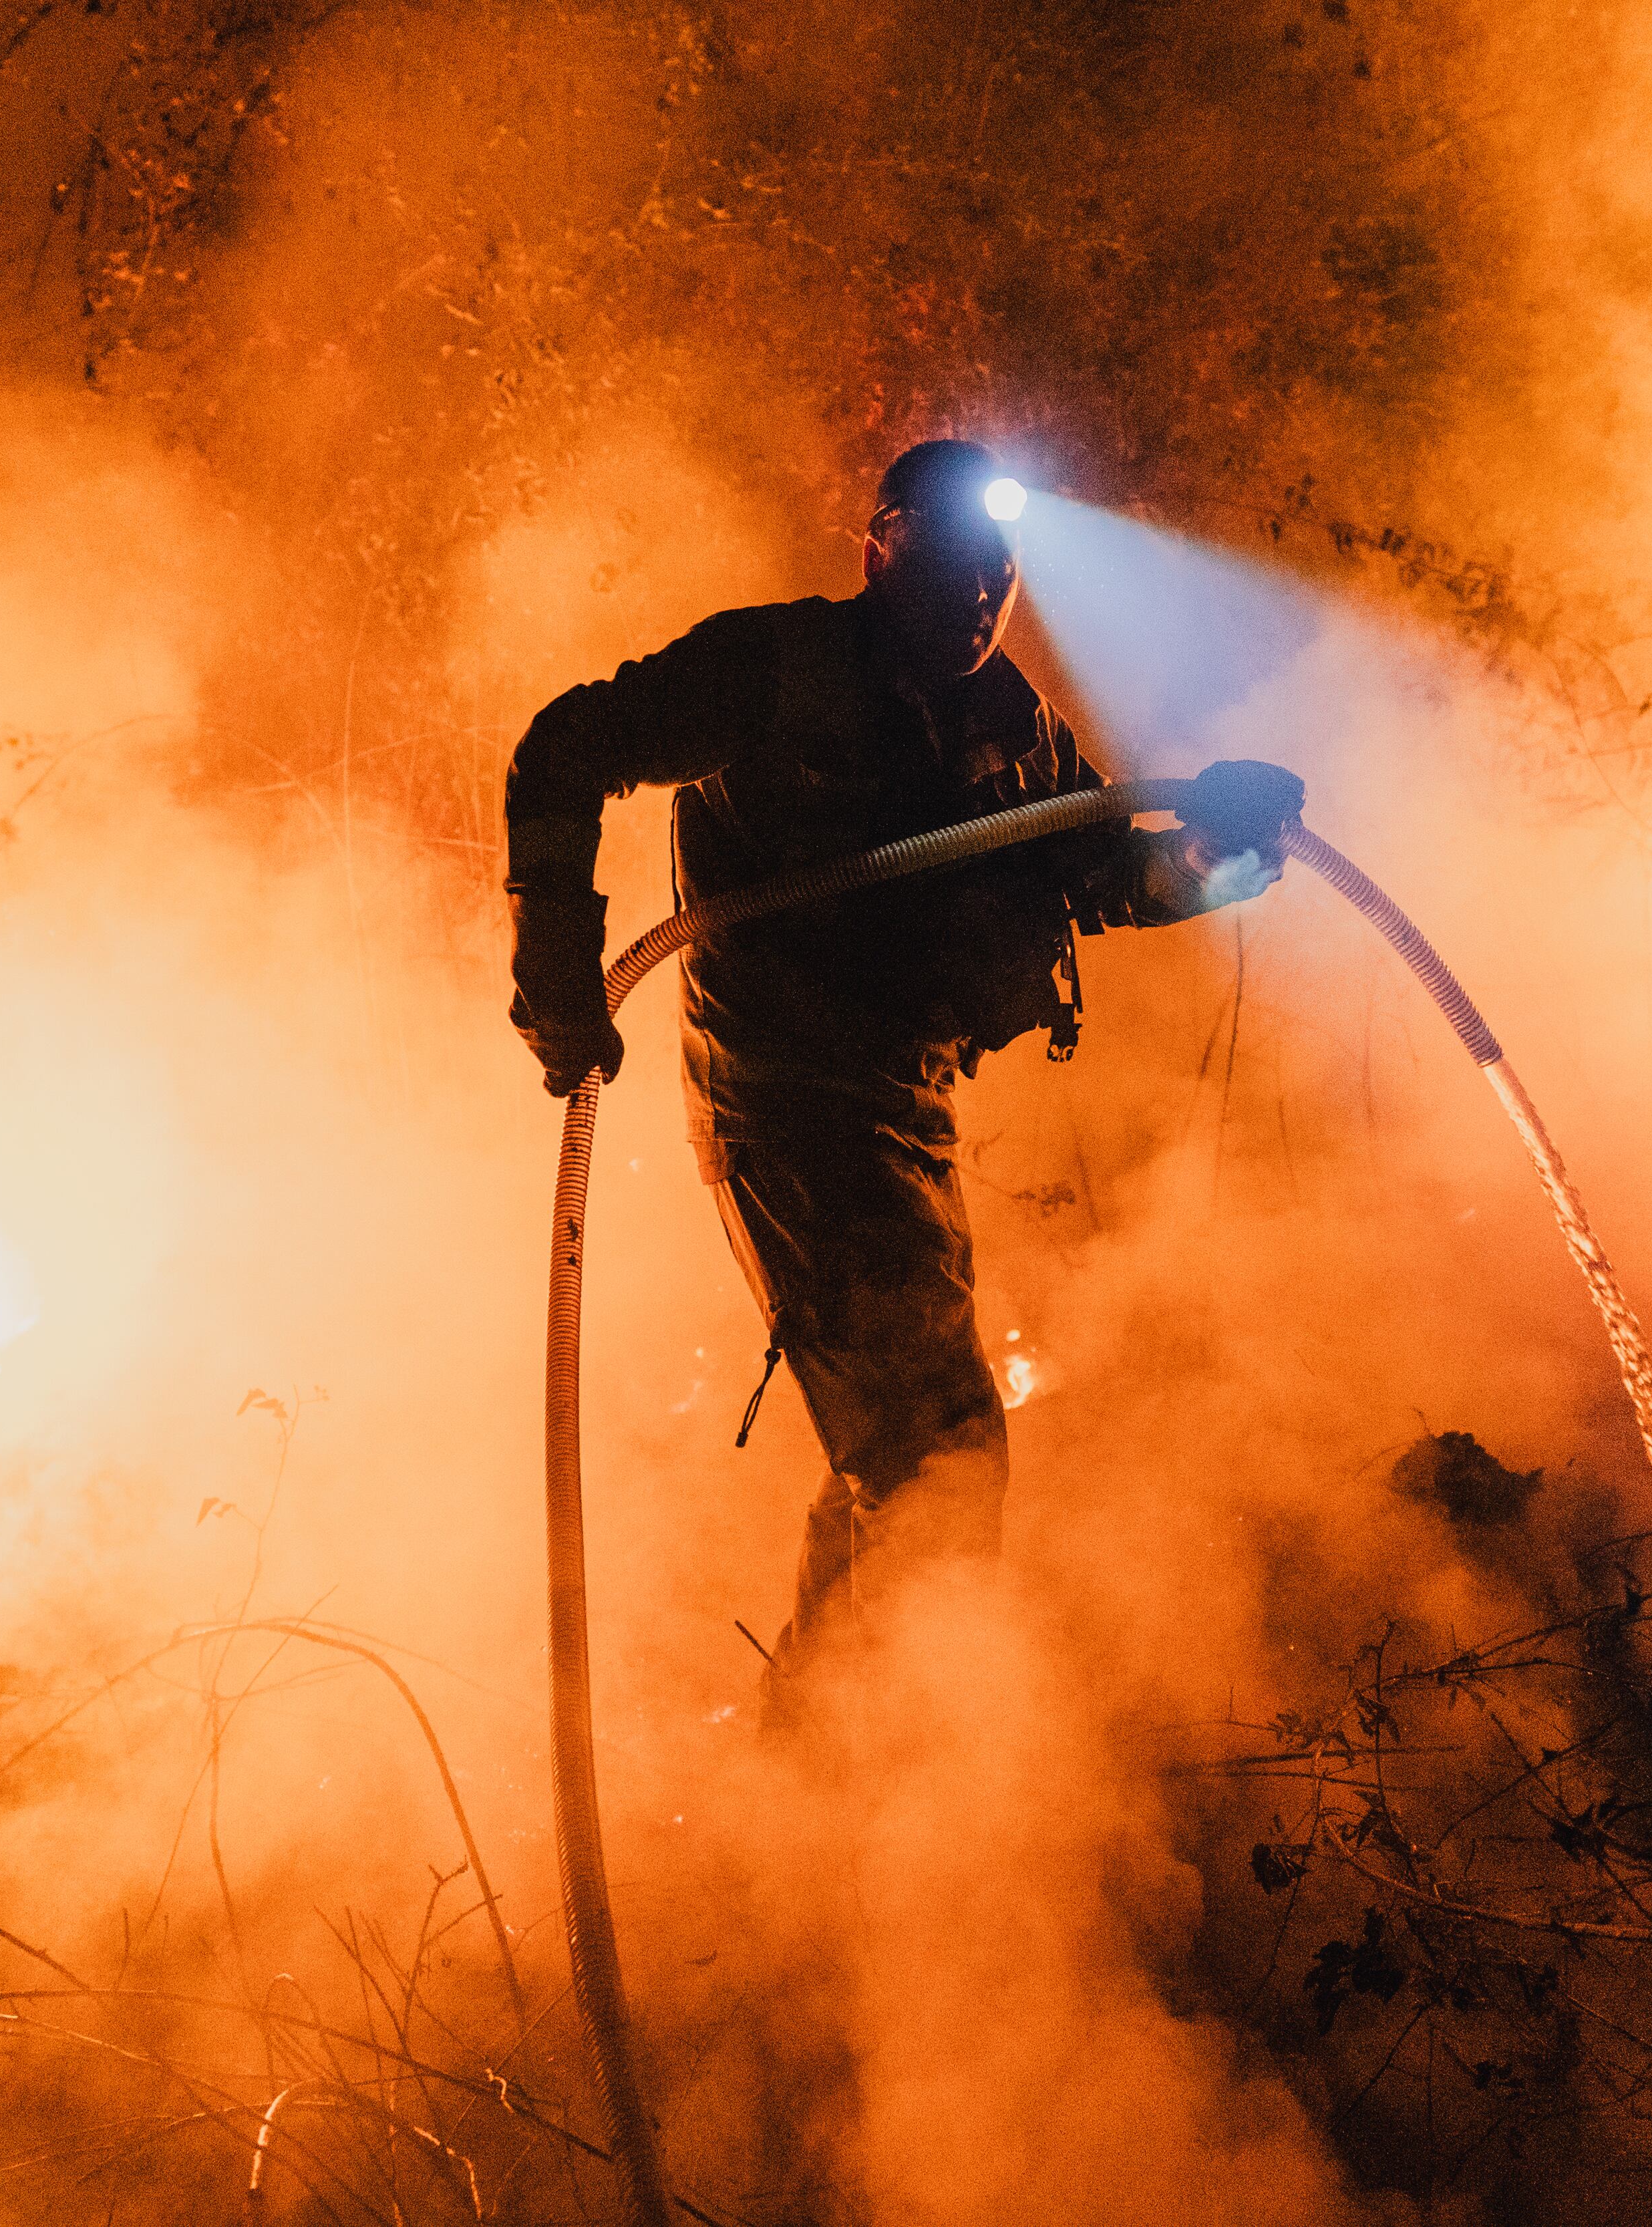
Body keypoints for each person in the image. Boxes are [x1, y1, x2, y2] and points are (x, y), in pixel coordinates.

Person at [501, 437, 1301, 1689]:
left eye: (1002, 576)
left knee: (897, 1448)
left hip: (902, 1119)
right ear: (880, 548)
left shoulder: (1008, 724)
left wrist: (1225, 846)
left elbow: (1108, 876)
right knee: (938, 1451)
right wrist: (554, 952)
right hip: (783, 1104)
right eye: (953, 570)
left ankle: (821, 1769)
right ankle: (890, 1779)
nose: (983, 600)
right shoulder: (775, 669)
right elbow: (566, 748)